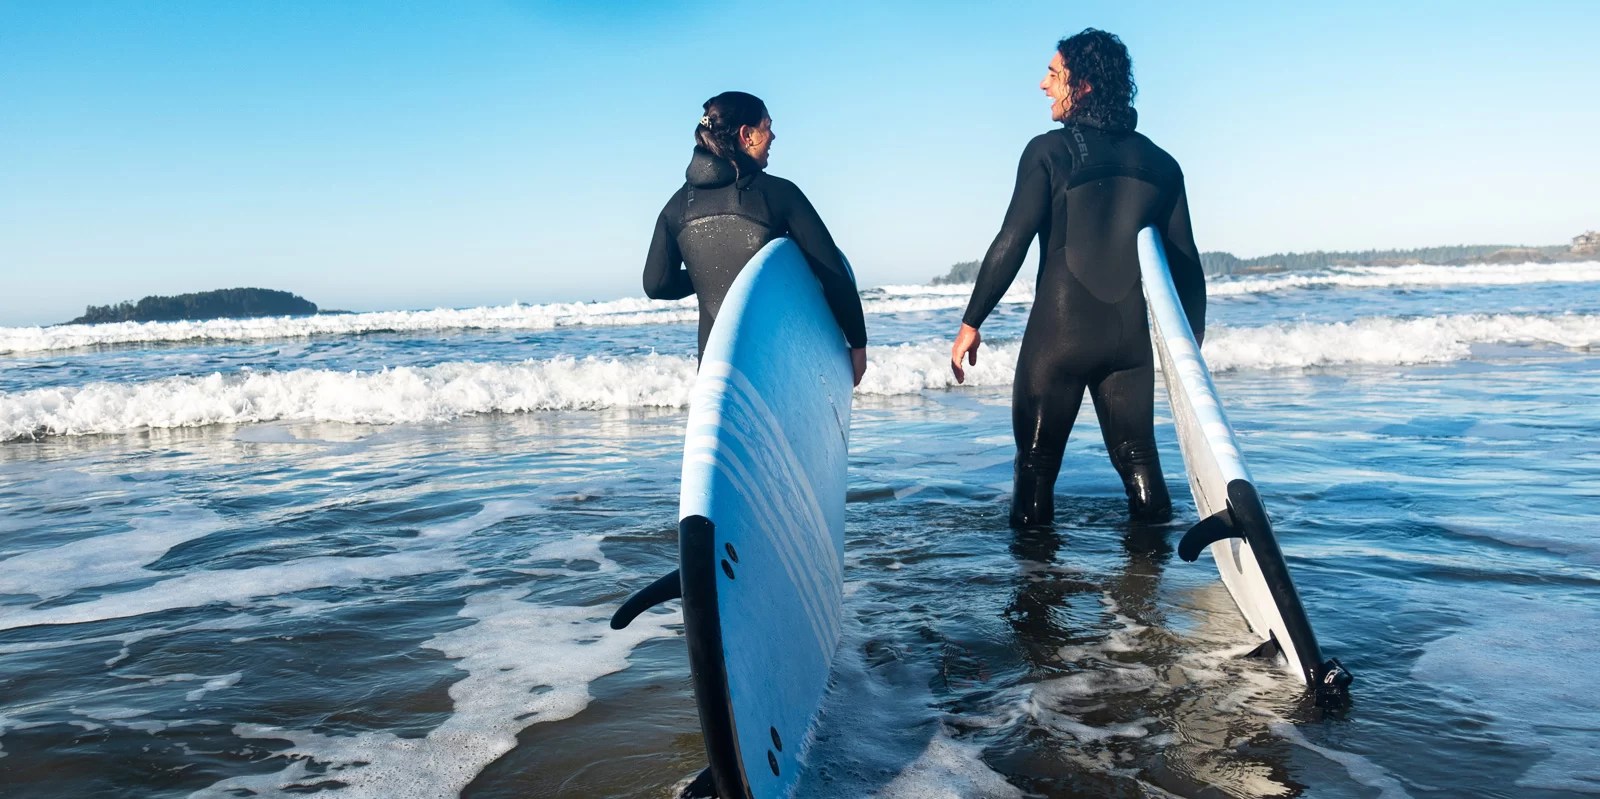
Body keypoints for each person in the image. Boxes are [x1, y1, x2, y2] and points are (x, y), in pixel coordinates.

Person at [950, 29, 1206, 527]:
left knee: (1036, 471)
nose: (1044, 85)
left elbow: (1013, 239)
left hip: (1059, 337)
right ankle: (1146, 593)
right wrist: (1190, 343)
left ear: (1083, 84)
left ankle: (1037, 595)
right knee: (1141, 468)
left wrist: (971, 321)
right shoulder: (1162, 163)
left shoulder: (1050, 151)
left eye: (1053, 74)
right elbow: (1187, 264)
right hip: (1129, 345)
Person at [643, 91, 869, 385]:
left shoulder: (675, 208)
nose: (773, 136)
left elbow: (656, 284)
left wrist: (706, 274)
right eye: (767, 126)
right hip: (777, 372)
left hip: (716, 381)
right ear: (746, 135)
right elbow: (832, 273)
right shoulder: (779, 194)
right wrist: (858, 344)